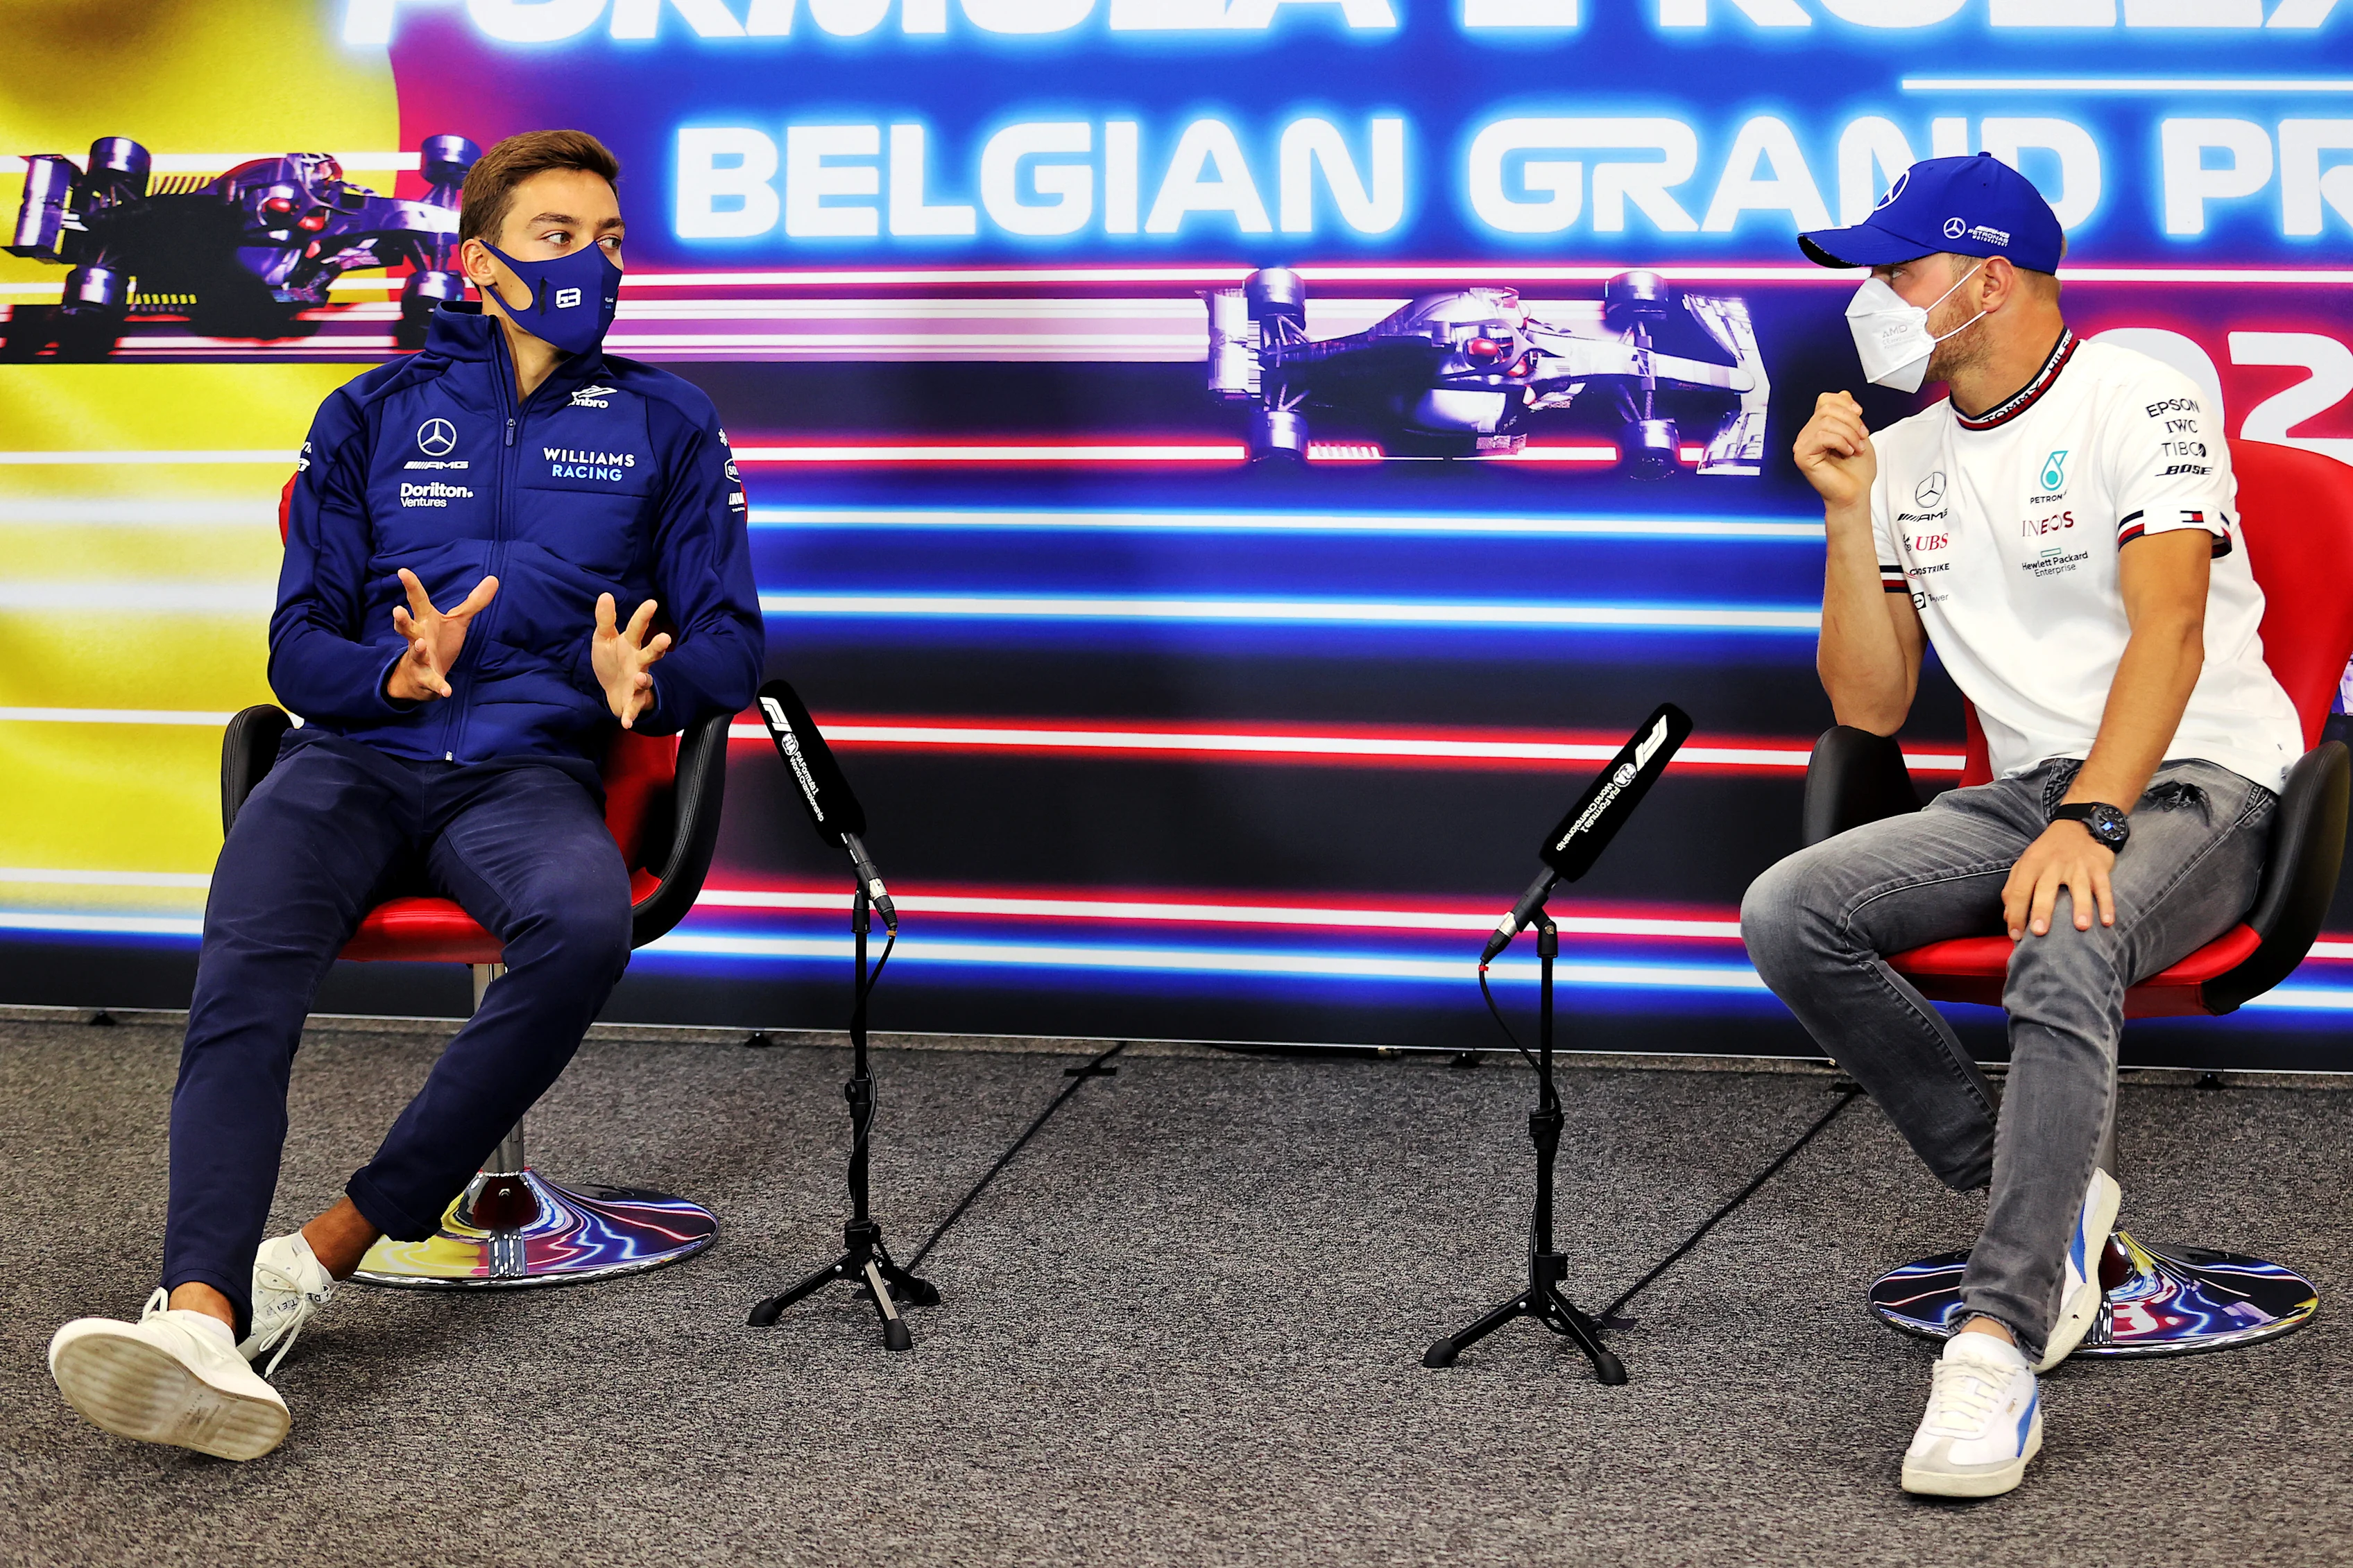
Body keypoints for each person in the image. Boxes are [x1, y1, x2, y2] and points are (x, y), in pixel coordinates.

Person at [45, 130, 764, 1461]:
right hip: (351, 764)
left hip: (530, 774)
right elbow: (294, 647)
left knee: (585, 925)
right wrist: (390, 669)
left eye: (609, 241)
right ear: (481, 261)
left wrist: (641, 687)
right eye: (558, 238)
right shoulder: (369, 414)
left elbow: (733, 643)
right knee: (246, 956)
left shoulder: (670, 419)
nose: (593, 265)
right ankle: (201, 1311)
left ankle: (323, 1252)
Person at [1741, 154, 2301, 1499]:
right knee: (1790, 910)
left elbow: (2168, 625)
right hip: (2027, 786)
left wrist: (2094, 818)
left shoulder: (2139, 390)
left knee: (2064, 930)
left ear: (1986, 279)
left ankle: (1994, 1334)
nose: (1875, 300)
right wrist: (1846, 510)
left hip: (2192, 772)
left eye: (1897, 272)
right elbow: (1865, 704)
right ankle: (2046, 1202)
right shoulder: (1911, 452)